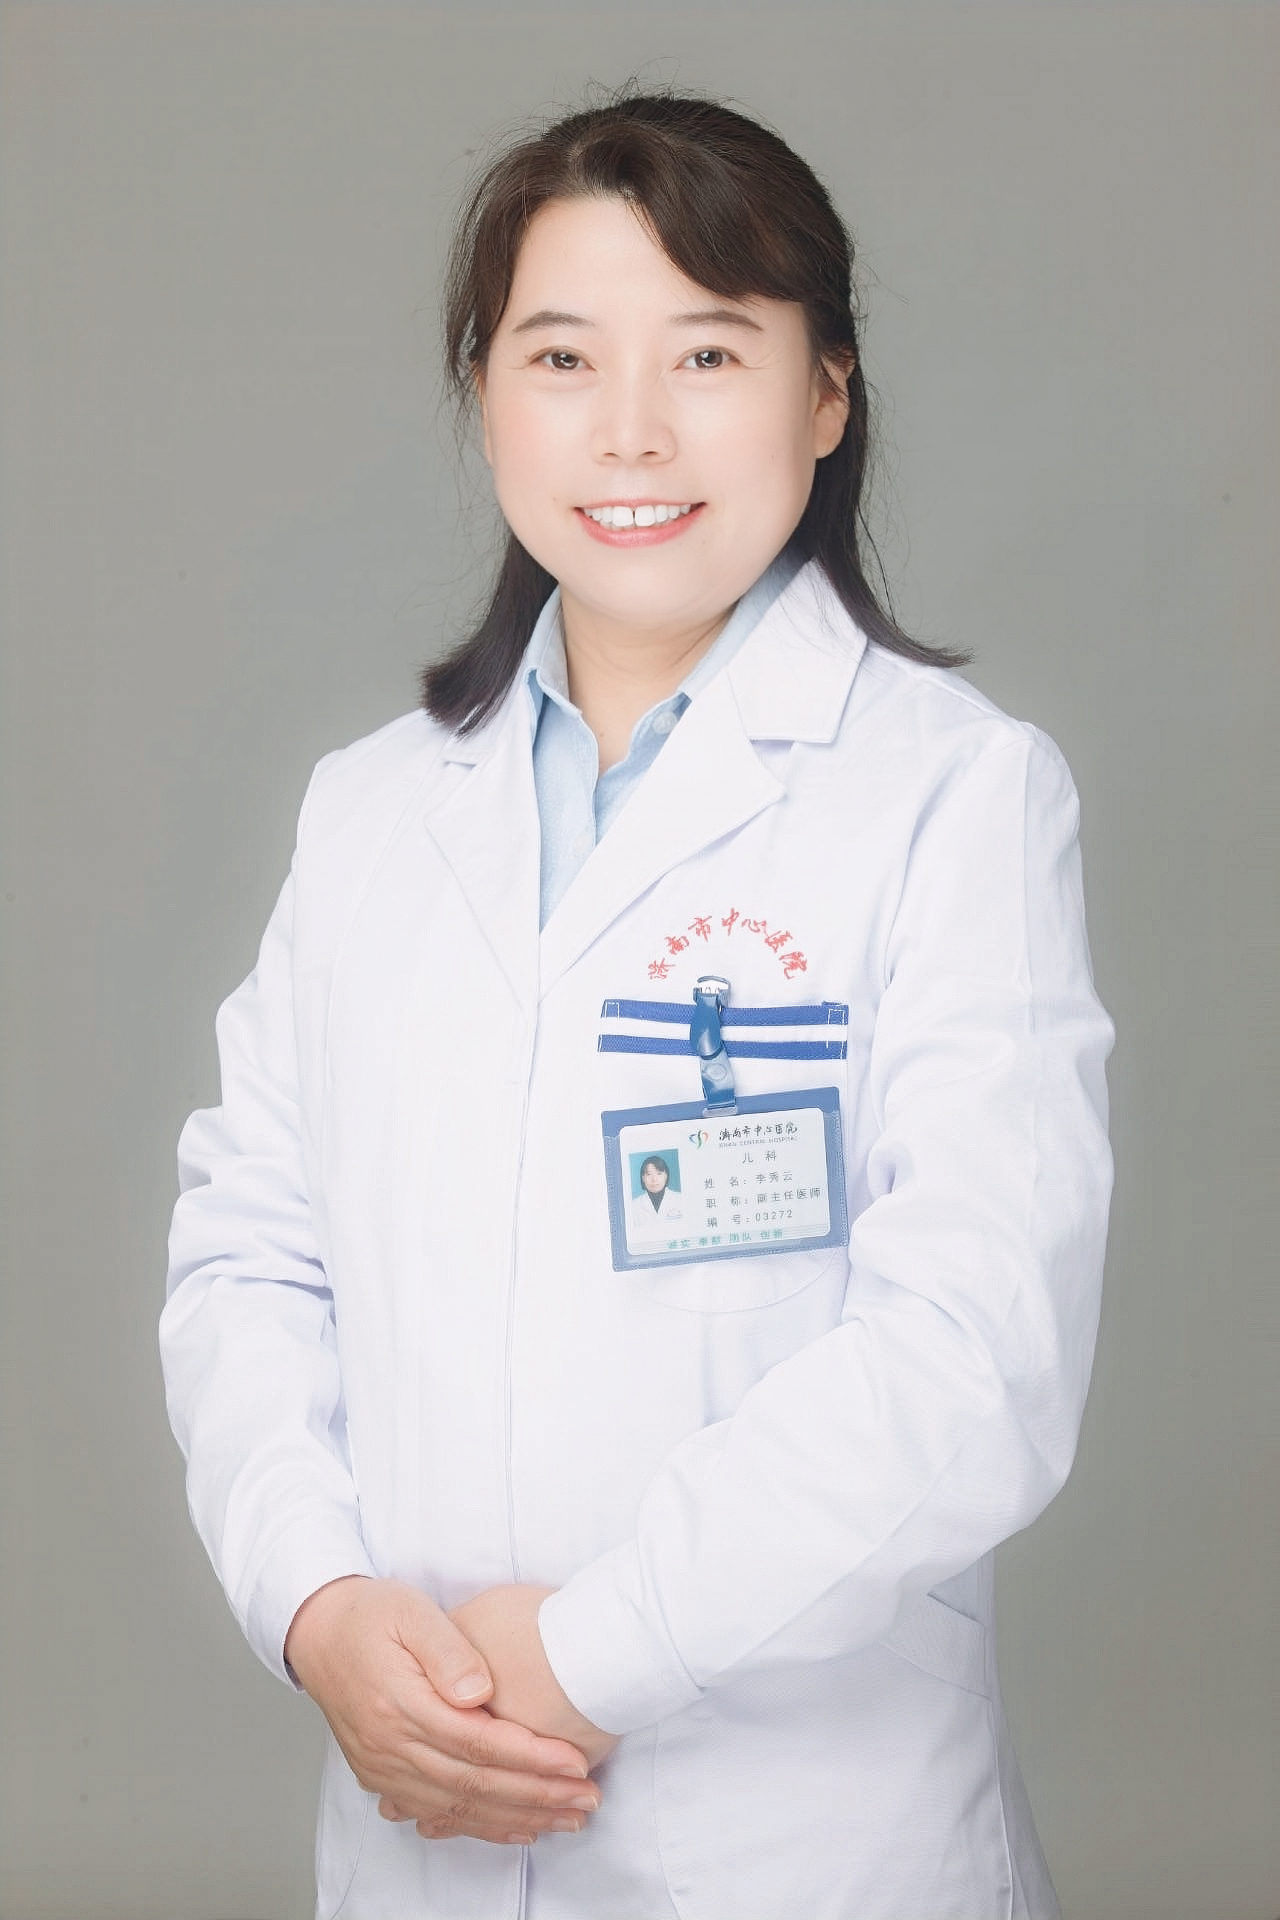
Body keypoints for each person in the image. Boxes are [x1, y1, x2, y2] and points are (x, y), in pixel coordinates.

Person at [161, 87, 1114, 1920]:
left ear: (826, 394)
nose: (631, 430)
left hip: (799, 1843)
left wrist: (591, 1650)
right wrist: (318, 1606)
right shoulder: (369, 813)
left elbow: (972, 1353)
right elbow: (249, 1258)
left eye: (708, 352)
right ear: (486, 394)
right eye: (561, 357)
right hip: (420, 1824)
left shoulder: (953, 794)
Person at [629, 1154, 684, 1242]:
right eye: (649, 1174)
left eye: (659, 1173)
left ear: (666, 1176)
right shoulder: (633, 1206)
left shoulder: (680, 1199)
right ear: (643, 1178)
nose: (654, 1179)